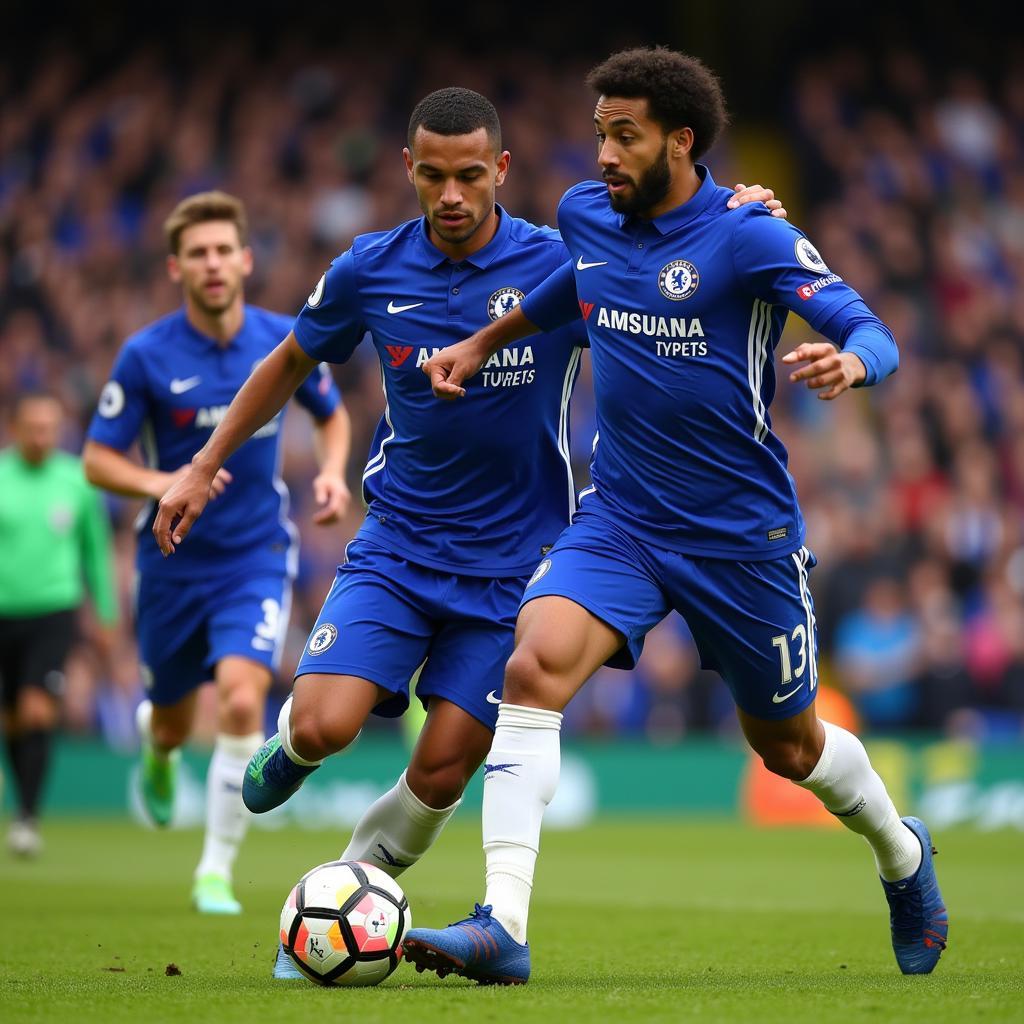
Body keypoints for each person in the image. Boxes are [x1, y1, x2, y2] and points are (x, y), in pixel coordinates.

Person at [151, 90, 785, 975]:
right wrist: (200, 465)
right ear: (409, 170)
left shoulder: (563, 261)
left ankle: (341, 906)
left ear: (502, 173)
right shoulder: (370, 268)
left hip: (516, 575)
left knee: (443, 769)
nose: (453, 194)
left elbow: (674, 277)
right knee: (328, 725)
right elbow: (289, 360)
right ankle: (292, 743)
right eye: (435, 176)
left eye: (471, 175)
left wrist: (735, 217)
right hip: (399, 550)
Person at [404, 48, 947, 984]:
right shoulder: (585, 214)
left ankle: (902, 853)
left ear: (680, 141)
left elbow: (870, 327)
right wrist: (480, 339)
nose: (605, 155)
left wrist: (853, 364)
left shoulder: (749, 236)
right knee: (530, 664)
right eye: (600, 133)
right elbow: (569, 291)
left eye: (626, 136)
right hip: (623, 518)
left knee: (790, 746)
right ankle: (503, 924)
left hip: (741, 539)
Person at [83, 191, 350, 914]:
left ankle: (214, 871)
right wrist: (160, 480)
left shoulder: (283, 340)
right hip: (171, 561)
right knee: (172, 720)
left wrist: (331, 471)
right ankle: (157, 744)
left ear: (245, 259)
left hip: (255, 557)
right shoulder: (146, 355)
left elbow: (332, 413)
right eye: (196, 253)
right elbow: (98, 460)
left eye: (222, 250)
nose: (211, 263)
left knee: (240, 698)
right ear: (176, 266)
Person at [0, 391, 118, 856]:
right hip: (5, 611)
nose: (42, 436)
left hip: (55, 609)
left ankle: (28, 817)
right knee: (11, 718)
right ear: (16, 428)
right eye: (34, 427)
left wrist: (106, 612)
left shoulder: (75, 481)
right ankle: (23, 808)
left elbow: (96, 551)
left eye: (50, 428)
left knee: (36, 709)